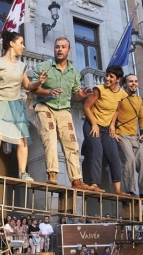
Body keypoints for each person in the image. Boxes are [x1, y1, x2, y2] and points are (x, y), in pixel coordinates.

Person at [0, 30, 47, 180]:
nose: (23, 46)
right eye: (21, 43)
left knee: (22, 138)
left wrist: (39, 82)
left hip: (15, 104)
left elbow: (27, 85)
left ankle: (23, 172)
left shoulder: (22, 66)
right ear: (11, 44)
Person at [32, 37, 94, 189]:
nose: (59, 49)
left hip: (64, 109)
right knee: (50, 136)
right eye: (57, 46)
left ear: (69, 51)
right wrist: (48, 92)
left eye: (63, 47)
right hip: (45, 105)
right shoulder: (44, 66)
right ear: (54, 49)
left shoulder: (74, 72)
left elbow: (75, 94)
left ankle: (76, 180)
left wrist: (82, 95)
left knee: (72, 143)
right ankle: (52, 174)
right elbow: (34, 89)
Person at [83, 65, 129, 195]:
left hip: (107, 129)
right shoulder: (99, 90)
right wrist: (94, 124)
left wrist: (113, 125)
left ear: (118, 80)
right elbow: (86, 107)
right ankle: (94, 184)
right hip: (92, 125)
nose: (107, 78)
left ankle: (118, 189)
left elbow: (117, 110)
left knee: (114, 156)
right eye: (107, 75)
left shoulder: (122, 94)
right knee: (97, 151)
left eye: (111, 77)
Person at [115, 74, 143, 199]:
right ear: (125, 84)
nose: (134, 84)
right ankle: (130, 190)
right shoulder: (119, 97)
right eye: (131, 82)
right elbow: (112, 114)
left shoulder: (138, 100)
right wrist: (113, 131)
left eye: (136, 81)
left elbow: (142, 117)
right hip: (121, 134)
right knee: (129, 159)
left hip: (135, 136)